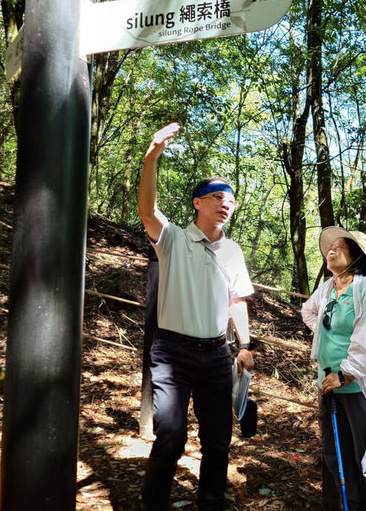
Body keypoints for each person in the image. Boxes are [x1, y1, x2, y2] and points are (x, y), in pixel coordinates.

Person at [137, 122, 255, 510]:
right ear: (197, 202)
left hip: (217, 355)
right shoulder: (172, 239)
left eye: (231, 201)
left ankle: (210, 502)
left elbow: (237, 300)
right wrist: (153, 155)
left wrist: (245, 345)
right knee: (170, 436)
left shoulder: (233, 251)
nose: (226, 204)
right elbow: (147, 208)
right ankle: (153, 503)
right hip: (173, 353)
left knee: (218, 440)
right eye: (217, 197)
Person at [300, 226, 366, 511]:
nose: (331, 251)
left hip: (359, 387)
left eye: (340, 247)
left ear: (355, 256)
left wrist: (345, 372)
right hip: (328, 382)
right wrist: (325, 332)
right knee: (336, 454)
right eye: (330, 247)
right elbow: (308, 311)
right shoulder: (328, 288)